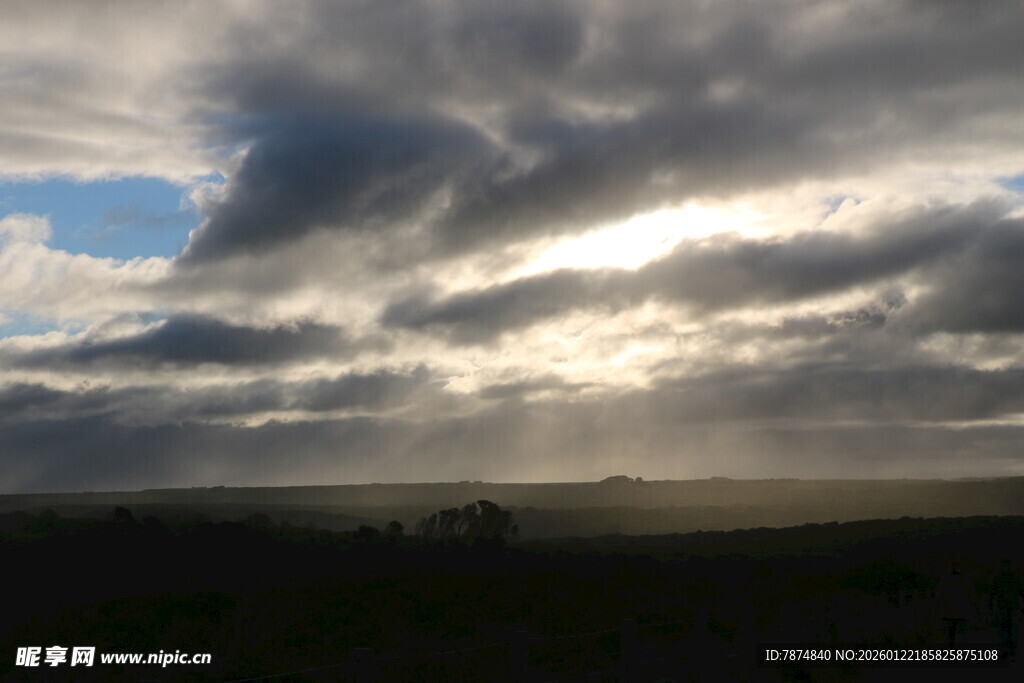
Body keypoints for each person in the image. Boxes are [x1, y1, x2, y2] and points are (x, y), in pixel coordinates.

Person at [988, 558, 1024, 661]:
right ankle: (1005, 650)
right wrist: (990, 604)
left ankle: (1011, 651)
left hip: (1012, 607)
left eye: (1007, 566)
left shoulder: (1015, 578)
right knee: (1004, 629)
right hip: (1003, 607)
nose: (1005, 568)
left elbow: (1022, 592)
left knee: (1012, 629)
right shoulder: (999, 578)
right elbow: (992, 592)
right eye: (1004, 566)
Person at [936, 561, 976, 646]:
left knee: (950, 635)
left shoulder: (944, 580)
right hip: (962, 611)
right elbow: (971, 595)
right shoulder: (965, 580)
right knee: (961, 635)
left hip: (948, 612)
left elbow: (939, 596)